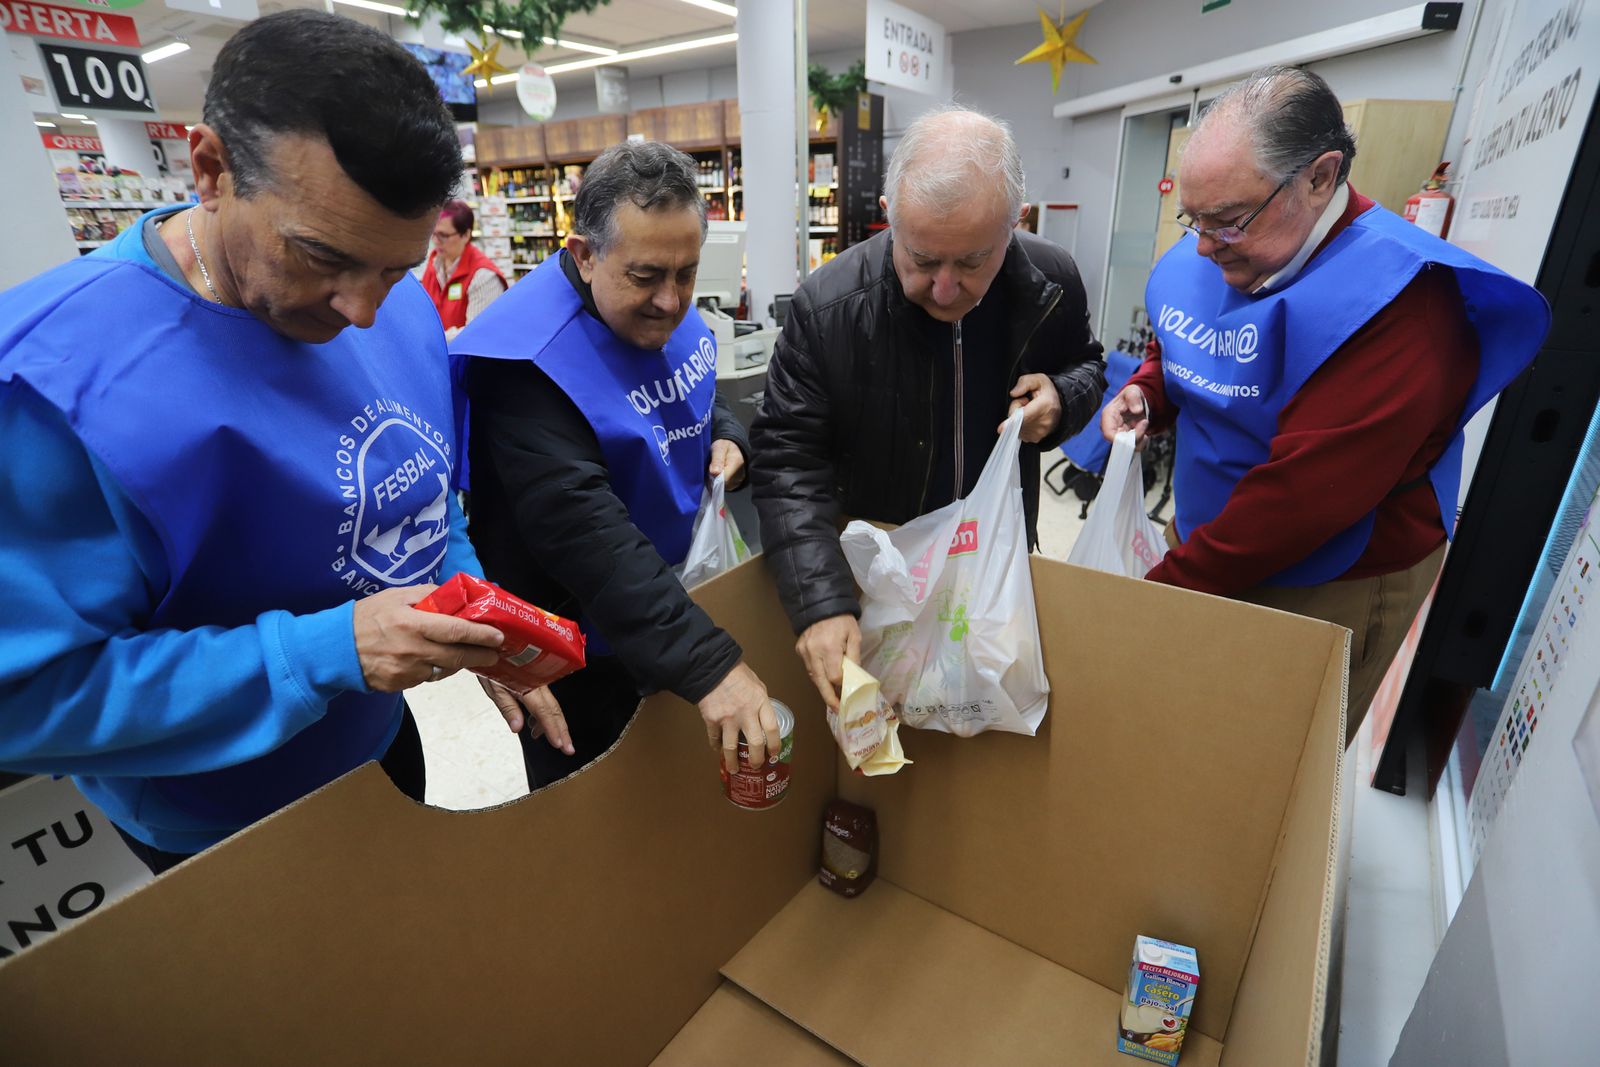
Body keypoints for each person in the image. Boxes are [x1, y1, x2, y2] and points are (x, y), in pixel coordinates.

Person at [0, 10, 567, 874]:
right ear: (211, 169)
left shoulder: (394, 305)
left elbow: (425, 493)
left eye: (395, 266)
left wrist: (476, 619)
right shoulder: (53, 384)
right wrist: (329, 650)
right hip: (209, 821)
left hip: (376, 747)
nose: (362, 311)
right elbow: (25, 697)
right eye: (318, 255)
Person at [1100, 67, 1549, 743]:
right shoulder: (1236, 238)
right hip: (1215, 533)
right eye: (1192, 219)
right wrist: (1149, 390)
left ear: (1319, 177)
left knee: (1263, 754)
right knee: (1184, 722)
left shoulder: (1404, 307)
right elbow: (1191, 334)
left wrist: (1156, 593)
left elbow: (1299, 502)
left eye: (1226, 222)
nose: (1203, 245)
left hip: (1329, 565)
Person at [750, 106, 1106, 710]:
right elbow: (787, 458)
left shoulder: (1052, 281)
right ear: (888, 218)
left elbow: (1087, 364)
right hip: (881, 579)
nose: (945, 289)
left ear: (1016, 223)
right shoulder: (827, 309)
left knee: (990, 731)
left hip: (997, 568)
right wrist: (820, 600)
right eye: (919, 259)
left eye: (971, 262)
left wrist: (1063, 398)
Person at [451, 141, 779, 789]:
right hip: (574, 643)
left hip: (660, 607)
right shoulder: (526, 364)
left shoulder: (654, 305)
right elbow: (583, 528)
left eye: (686, 273)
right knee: (595, 809)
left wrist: (727, 433)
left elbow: (681, 392)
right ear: (584, 253)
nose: (670, 299)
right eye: (647, 276)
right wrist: (710, 665)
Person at [423, 199, 507, 339]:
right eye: (434, 234)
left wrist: (433, 340)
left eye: (443, 235)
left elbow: (477, 333)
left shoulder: (484, 276)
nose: (436, 241)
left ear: (466, 235)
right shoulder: (434, 264)